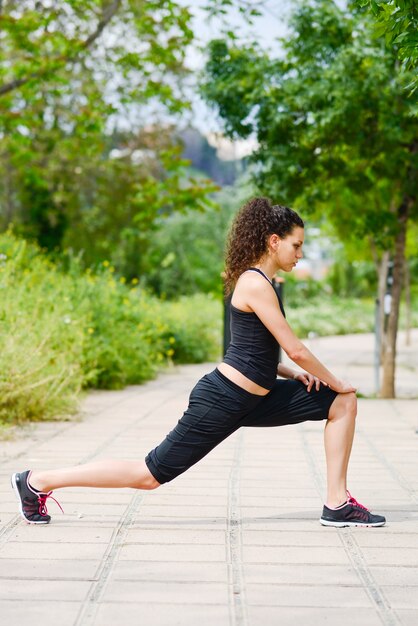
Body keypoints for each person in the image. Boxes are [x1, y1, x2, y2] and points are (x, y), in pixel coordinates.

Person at [11, 197, 386, 528]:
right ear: (274, 241)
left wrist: (296, 375)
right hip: (223, 399)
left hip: (256, 397)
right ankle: (38, 481)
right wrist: (334, 379)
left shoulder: (261, 283)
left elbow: (255, 351)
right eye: (296, 245)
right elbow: (296, 347)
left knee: (342, 404)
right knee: (149, 475)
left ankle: (336, 503)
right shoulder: (255, 283)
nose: (300, 254)